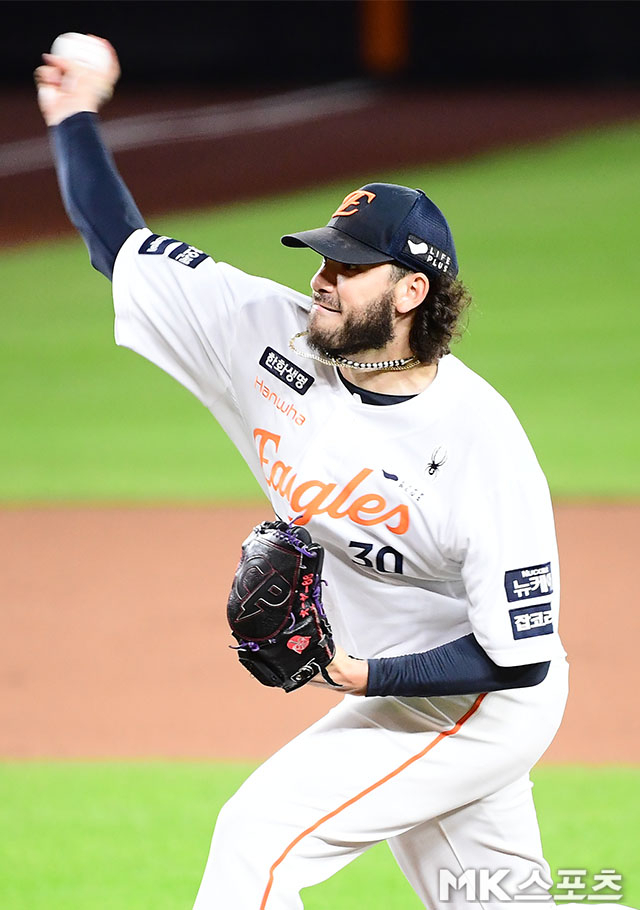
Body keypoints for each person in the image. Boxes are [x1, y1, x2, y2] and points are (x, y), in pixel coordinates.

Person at [34, 38, 630, 910]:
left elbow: (522, 661)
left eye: (350, 267)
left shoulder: (481, 445)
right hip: (406, 694)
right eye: (323, 256)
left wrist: (360, 675)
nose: (321, 279)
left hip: (477, 709)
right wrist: (73, 113)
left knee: (255, 842)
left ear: (412, 294)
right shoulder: (264, 338)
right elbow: (118, 245)